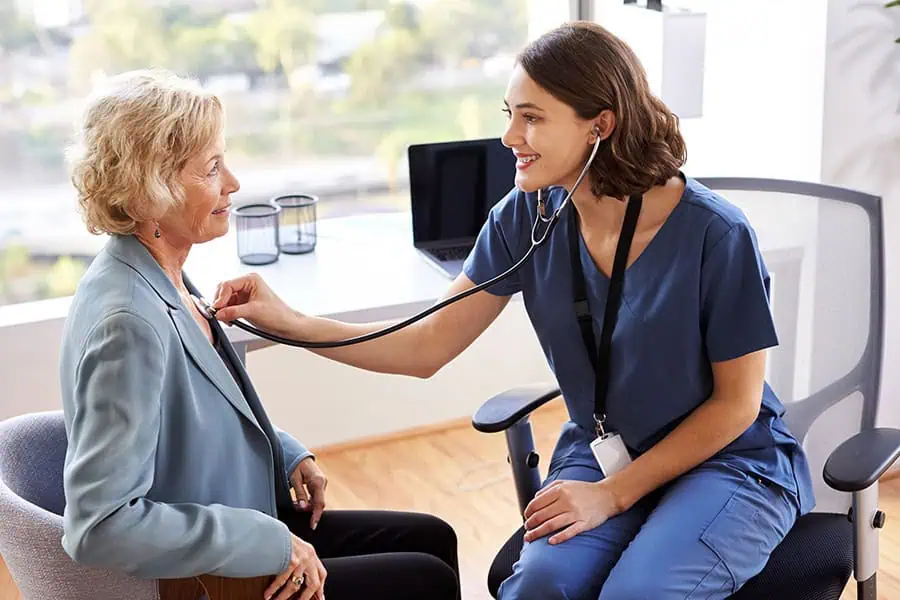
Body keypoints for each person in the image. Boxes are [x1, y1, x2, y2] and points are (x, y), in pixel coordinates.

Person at [211, 21, 816, 600]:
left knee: (641, 592)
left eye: (532, 119)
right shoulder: (526, 218)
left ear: (598, 126)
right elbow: (425, 347)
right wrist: (288, 321)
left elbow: (735, 406)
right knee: (540, 586)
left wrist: (613, 495)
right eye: (510, 115)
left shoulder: (715, 235)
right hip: (608, 446)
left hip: (729, 463)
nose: (509, 138)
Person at [58, 68, 460, 600]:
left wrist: (286, 452)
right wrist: (270, 541)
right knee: (424, 579)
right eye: (212, 169)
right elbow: (98, 526)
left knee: (434, 538)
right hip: (214, 574)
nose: (233, 183)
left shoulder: (164, 273)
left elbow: (200, 417)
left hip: (247, 516)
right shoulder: (128, 324)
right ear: (148, 192)